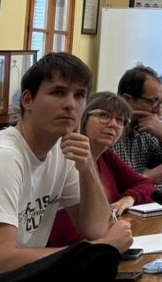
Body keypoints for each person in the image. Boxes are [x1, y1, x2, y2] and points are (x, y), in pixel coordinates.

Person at [0, 53, 132, 282]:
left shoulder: (62, 150)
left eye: (79, 95)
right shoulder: (0, 158)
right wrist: (100, 250)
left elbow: (96, 229)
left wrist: (88, 167)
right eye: (58, 92)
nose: (70, 104)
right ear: (27, 100)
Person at [48, 92, 155, 246]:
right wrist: (110, 238)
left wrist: (128, 199)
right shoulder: (66, 157)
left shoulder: (106, 156)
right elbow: (66, 235)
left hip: (104, 243)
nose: (113, 124)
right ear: (83, 117)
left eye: (120, 120)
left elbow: (145, 184)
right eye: (104, 115)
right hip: (78, 251)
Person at [114, 64, 162, 184]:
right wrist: (148, 177)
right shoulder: (109, 129)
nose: (159, 110)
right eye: (153, 101)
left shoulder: (152, 129)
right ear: (127, 100)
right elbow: (110, 188)